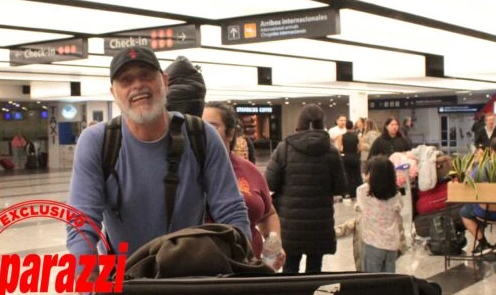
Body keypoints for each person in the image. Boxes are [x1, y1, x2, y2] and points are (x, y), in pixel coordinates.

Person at [67, 47, 250, 258]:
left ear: (164, 81)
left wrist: (242, 266)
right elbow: (81, 224)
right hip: (123, 278)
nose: (137, 85)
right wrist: (92, 287)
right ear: (113, 94)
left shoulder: (202, 135)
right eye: (126, 80)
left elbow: (230, 210)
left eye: (146, 75)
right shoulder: (97, 142)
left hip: (188, 275)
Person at [265, 105, 348, 274]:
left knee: (289, 268)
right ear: (322, 124)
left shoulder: (284, 148)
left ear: (299, 123)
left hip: (290, 223)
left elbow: (270, 183)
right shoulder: (331, 151)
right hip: (319, 222)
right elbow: (341, 187)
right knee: (314, 269)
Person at [202, 102, 284, 267]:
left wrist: (273, 241)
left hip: (249, 269)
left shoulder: (249, 170)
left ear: (230, 133)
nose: (205, 133)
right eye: (200, 127)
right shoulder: (187, 170)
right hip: (203, 270)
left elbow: (268, 214)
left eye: (212, 127)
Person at [356, 155, 402, 273]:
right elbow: (399, 209)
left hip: (373, 243)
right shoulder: (396, 195)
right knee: (389, 280)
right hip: (392, 243)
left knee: (372, 282)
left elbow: (360, 206)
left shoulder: (363, 192)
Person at [338, 119, 362, 199]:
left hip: (346, 157)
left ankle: (349, 193)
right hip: (355, 157)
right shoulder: (357, 136)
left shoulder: (342, 136)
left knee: (348, 176)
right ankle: (358, 193)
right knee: (357, 175)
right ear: (352, 127)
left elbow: (340, 148)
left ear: (346, 126)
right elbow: (360, 148)